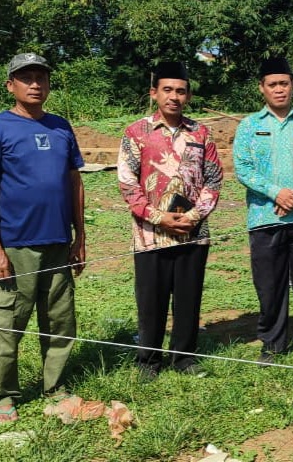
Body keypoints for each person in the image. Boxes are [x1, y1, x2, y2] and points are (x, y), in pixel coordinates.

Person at [0, 53, 85, 424]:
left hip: (57, 242)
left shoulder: (60, 127)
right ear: (10, 86)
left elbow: (74, 182)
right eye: (26, 78)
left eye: (41, 77)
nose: (35, 84)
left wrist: (80, 236)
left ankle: (55, 387)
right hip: (15, 245)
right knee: (7, 323)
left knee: (59, 321)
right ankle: (2, 396)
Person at [117, 61, 222, 377]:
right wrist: (158, 217)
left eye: (180, 91)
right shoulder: (137, 132)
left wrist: (194, 216)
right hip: (151, 235)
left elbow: (213, 179)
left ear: (188, 96)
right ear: (154, 93)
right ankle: (149, 360)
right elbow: (128, 183)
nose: (174, 96)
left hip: (193, 232)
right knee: (151, 300)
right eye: (167, 90)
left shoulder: (200, 133)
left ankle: (184, 358)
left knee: (188, 298)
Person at [234, 57, 293, 364]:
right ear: (261, 88)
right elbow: (243, 169)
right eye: (272, 84)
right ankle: (272, 343)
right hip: (265, 217)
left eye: (284, 84)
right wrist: (276, 193)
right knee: (269, 284)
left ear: (292, 86)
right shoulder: (249, 126)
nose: (279, 89)